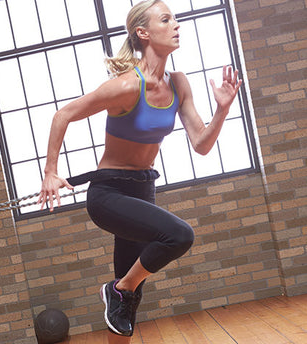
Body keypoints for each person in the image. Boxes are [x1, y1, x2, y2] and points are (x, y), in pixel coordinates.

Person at [37, 0, 242, 341]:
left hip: (143, 189)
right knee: (179, 236)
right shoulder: (127, 86)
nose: (176, 24)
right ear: (142, 33)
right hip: (110, 194)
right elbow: (64, 114)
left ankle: (120, 293)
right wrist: (50, 171)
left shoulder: (178, 83)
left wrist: (221, 110)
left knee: (127, 309)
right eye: (166, 19)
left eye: (175, 18)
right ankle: (118, 289)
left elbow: (202, 144)